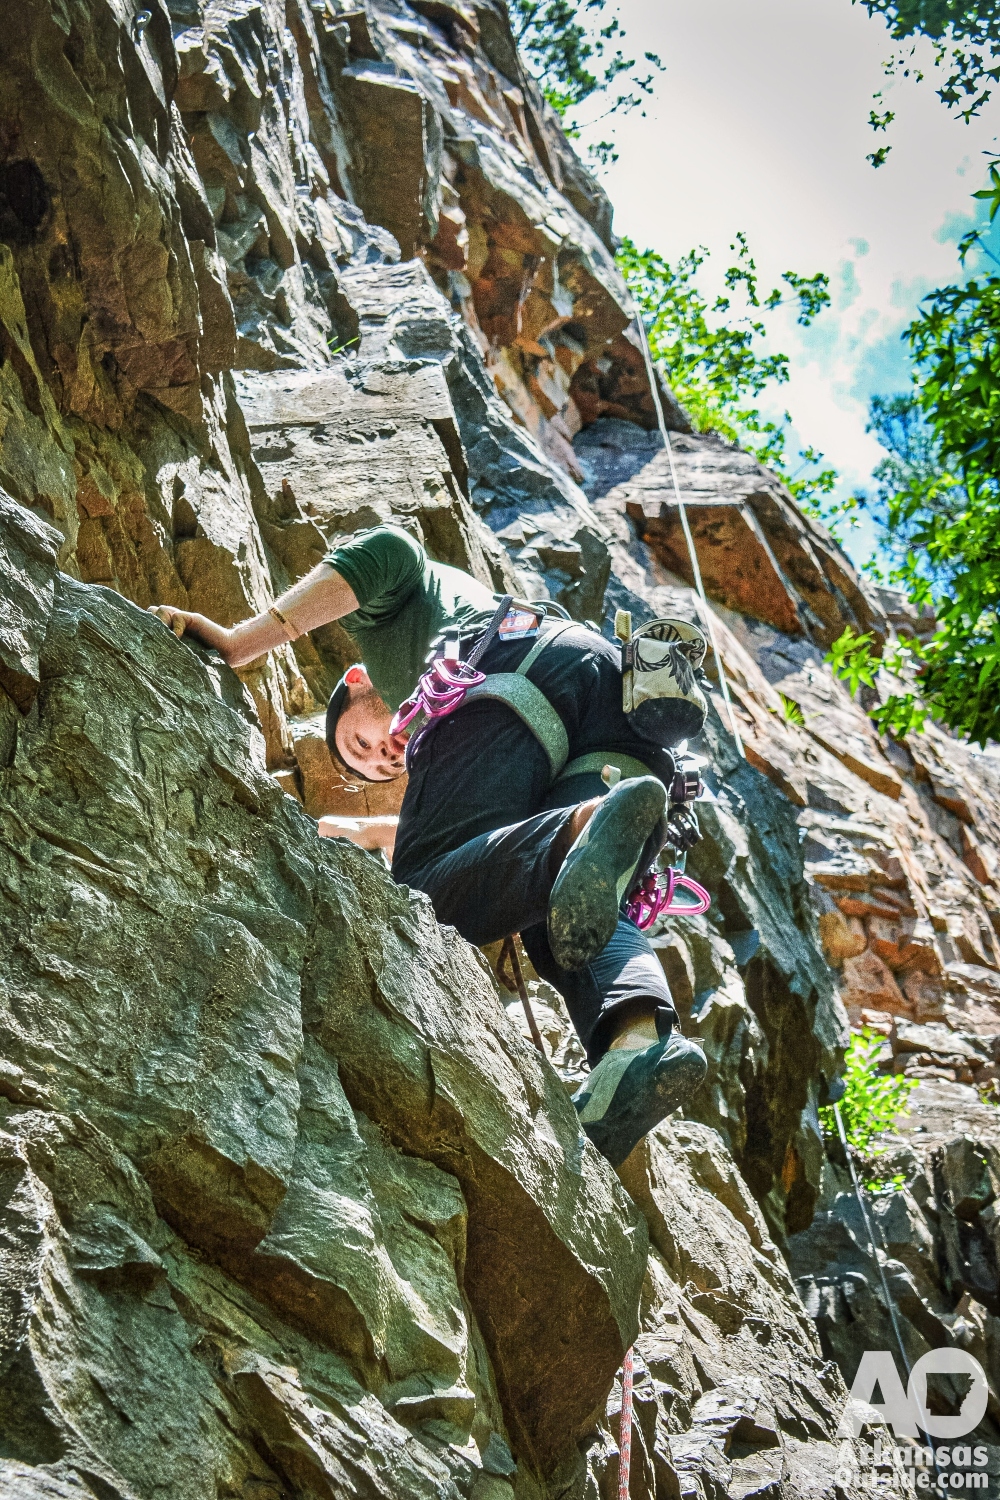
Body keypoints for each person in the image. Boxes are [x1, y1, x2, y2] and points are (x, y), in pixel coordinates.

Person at [150, 524, 707, 1166]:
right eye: (380, 772)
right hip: (620, 706)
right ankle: (637, 1047)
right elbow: (492, 844)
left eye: (361, 742)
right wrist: (363, 830)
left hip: (508, 664)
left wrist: (240, 642)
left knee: (422, 894)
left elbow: (386, 552)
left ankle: (581, 825)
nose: (385, 757)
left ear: (358, 682)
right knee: (563, 899)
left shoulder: (397, 630)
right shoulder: (482, 742)